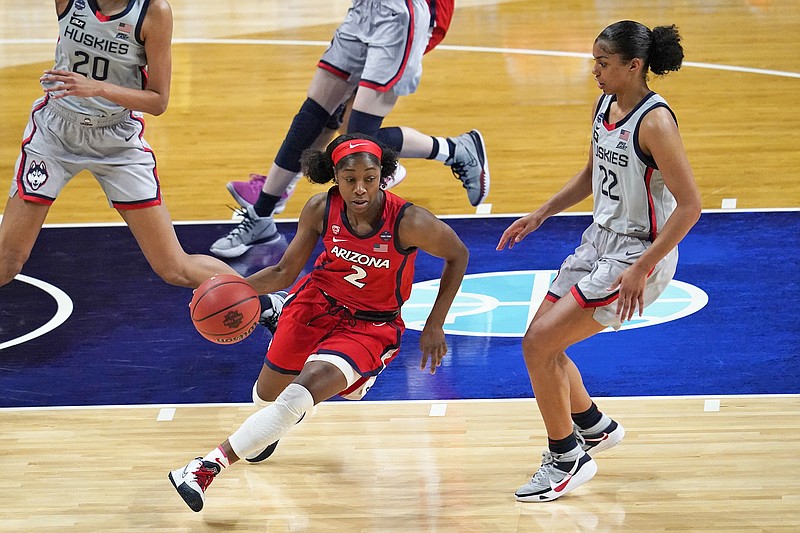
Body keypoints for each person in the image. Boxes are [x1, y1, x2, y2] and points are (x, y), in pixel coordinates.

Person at [169, 134, 469, 512]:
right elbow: (283, 270)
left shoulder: (410, 221)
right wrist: (234, 291)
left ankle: (203, 467)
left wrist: (434, 324)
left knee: (299, 395)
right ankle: (279, 324)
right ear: (334, 177)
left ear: (383, 176)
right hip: (315, 304)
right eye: (349, 179)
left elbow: (458, 255)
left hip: (370, 325)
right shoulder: (319, 209)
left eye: (370, 178)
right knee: (265, 398)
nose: (360, 188)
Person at [496, 20, 701, 502]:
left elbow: (690, 205)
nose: (595, 71)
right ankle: (593, 425)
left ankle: (566, 457)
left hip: (639, 252)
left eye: (603, 63)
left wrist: (642, 267)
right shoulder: (606, 105)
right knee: (541, 339)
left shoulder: (655, 122)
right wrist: (542, 211)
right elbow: (594, 173)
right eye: (595, 61)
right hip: (600, 242)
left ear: (634, 66)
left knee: (538, 346)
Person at [209, 0, 489, 259]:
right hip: (364, 9)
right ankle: (260, 216)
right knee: (312, 117)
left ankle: (454, 151)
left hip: (398, 15)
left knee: (356, 141)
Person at [0, 0, 237, 289]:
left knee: (174, 267)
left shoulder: (154, 12)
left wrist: (98, 88)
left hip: (117, 140)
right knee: (7, 260)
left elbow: (158, 100)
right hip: (55, 133)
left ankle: (267, 304)